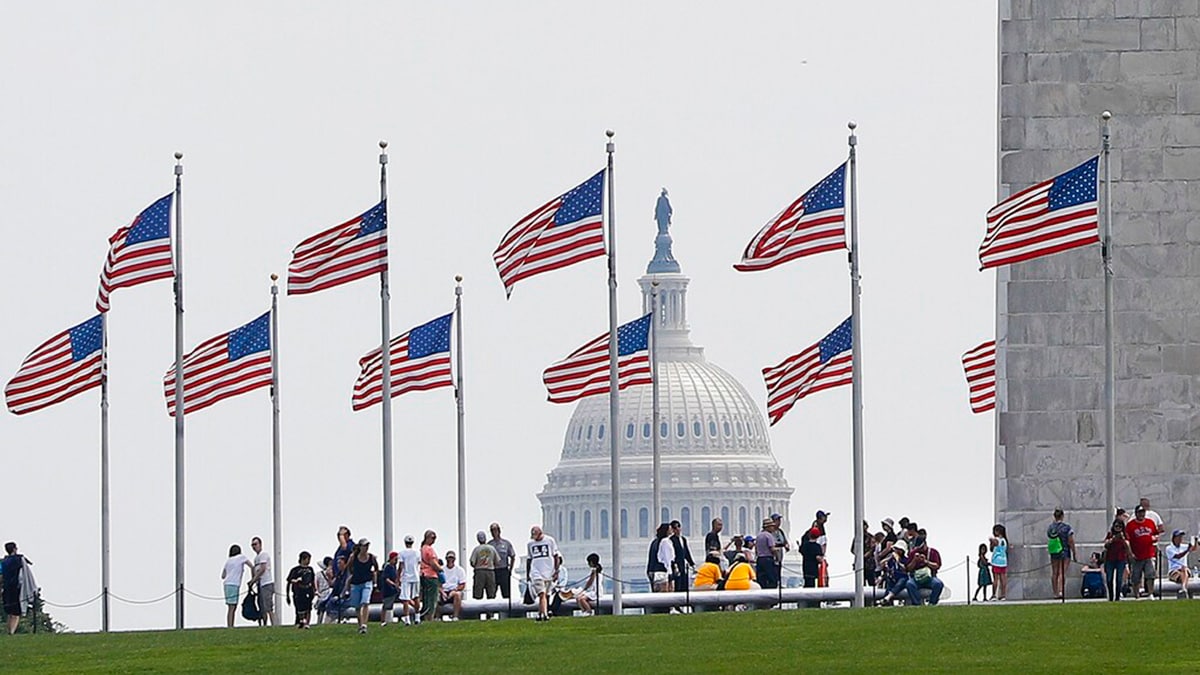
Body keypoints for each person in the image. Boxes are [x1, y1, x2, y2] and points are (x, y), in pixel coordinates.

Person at [525, 525, 561, 622]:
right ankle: (544, 615)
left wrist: (556, 571)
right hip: (536, 572)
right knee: (542, 593)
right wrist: (528, 574)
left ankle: (540, 613)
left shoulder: (550, 541)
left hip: (549, 572)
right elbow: (529, 560)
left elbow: (556, 556)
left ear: (540, 533)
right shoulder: (530, 544)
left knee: (546, 595)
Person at [346, 538, 379, 634]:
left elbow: (376, 568)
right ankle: (360, 624)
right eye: (364, 546)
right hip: (356, 583)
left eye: (367, 546)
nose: (366, 548)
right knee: (357, 606)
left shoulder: (371, 557)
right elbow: (349, 567)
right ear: (360, 547)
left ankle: (364, 624)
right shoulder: (354, 557)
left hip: (367, 582)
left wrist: (374, 580)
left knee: (365, 602)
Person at [1126, 506, 1159, 598]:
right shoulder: (1130, 525)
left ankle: (1150, 593)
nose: (1141, 514)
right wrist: (1130, 553)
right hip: (1137, 555)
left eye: (1142, 512)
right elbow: (1127, 540)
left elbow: (1156, 534)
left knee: (1150, 575)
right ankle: (1136, 595)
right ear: (1136, 513)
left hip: (1149, 554)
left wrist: (1154, 538)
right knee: (1136, 577)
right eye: (1139, 512)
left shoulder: (1150, 523)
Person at [2, 543, 35, 635]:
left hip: (7, 588)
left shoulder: (4, 561)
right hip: (16, 588)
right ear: (14, 549)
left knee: (10, 612)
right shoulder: (19, 560)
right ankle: (11, 632)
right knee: (16, 613)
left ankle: (9, 630)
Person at [220, 544, 253, 628]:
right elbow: (251, 566)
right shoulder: (241, 557)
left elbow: (223, 576)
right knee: (233, 607)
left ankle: (230, 625)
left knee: (230, 606)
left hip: (226, 584)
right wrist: (253, 577)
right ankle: (230, 626)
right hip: (234, 584)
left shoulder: (228, 560)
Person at [905, 540, 945, 606]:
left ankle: (932, 603)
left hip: (930, 577)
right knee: (909, 584)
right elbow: (908, 569)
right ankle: (917, 603)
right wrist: (914, 560)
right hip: (916, 578)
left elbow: (937, 566)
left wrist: (926, 562)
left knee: (938, 584)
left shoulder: (933, 552)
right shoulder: (913, 553)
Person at [1047, 509, 1075, 599]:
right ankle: (1060, 591)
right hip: (1064, 551)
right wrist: (1074, 552)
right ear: (1062, 516)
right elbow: (1071, 541)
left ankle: (1055, 592)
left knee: (1054, 572)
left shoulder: (1051, 528)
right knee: (1061, 572)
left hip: (1054, 551)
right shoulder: (1066, 527)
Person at [1102, 519, 1133, 601]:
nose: (1118, 528)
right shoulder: (1110, 534)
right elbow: (1105, 545)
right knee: (1109, 579)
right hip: (1110, 559)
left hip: (1121, 559)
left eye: (1120, 526)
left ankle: (1117, 597)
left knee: (1119, 579)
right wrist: (1112, 539)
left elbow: (1128, 547)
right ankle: (1111, 596)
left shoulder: (1125, 535)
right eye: (1116, 526)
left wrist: (1122, 539)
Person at [248, 536, 275, 626]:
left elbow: (262, 569)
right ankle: (264, 624)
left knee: (268, 606)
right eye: (252, 545)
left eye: (255, 544)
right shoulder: (256, 558)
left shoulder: (263, 555)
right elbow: (255, 569)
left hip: (266, 583)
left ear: (260, 544)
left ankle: (274, 624)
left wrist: (253, 579)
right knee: (262, 606)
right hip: (260, 584)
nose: (254, 546)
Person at [286, 551, 315, 628]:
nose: (308, 561)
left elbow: (312, 580)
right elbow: (289, 580)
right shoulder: (295, 570)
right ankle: (300, 622)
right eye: (307, 559)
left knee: (308, 608)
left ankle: (307, 623)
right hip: (298, 591)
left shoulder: (310, 569)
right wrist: (296, 581)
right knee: (299, 608)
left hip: (308, 590)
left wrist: (314, 590)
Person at [418, 530, 442, 624]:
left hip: (423, 575)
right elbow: (433, 563)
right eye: (432, 538)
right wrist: (440, 569)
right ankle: (429, 617)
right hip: (431, 576)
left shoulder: (421, 549)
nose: (434, 540)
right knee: (431, 599)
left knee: (425, 598)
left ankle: (424, 616)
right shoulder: (428, 549)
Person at [488, 523, 516, 601]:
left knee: (506, 594)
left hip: (504, 570)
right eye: (492, 531)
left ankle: (507, 612)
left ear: (499, 531)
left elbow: (513, 556)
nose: (494, 532)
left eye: (495, 530)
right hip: (493, 571)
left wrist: (510, 569)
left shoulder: (506, 543)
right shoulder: (489, 544)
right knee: (491, 594)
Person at [397, 534, 421, 625]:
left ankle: (407, 619)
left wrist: (398, 577)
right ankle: (417, 617)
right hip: (415, 576)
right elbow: (419, 563)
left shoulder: (402, 553)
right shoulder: (417, 553)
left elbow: (401, 566)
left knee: (405, 599)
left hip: (406, 577)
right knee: (416, 597)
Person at [878, 540, 911, 606]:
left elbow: (905, 569)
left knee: (901, 582)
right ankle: (886, 601)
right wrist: (889, 558)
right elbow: (882, 564)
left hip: (902, 578)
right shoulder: (891, 559)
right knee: (889, 584)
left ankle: (888, 597)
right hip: (892, 578)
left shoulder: (905, 559)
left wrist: (897, 560)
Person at [469, 531, 498, 601]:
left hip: (479, 572)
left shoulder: (476, 549)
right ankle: (491, 611)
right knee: (491, 594)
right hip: (490, 571)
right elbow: (497, 561)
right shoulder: (492, 548)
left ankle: (477, 611)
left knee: (478, 594)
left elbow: (472, 562)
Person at [1164, 529, 1193, 598]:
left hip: (1184, 569)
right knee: (1182, 573)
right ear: (1174, 538)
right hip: (1174, 570)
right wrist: (1187, 550)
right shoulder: (1169, 548)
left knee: (1184, 569)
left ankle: (1183, 589)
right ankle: (1184, 590)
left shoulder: (1183, 546)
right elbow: (1178, 556)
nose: (1180, 539)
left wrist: (1195, 542)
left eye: (1181, 537)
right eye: (1178, 537)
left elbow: (1193, 548)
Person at [440, 551, 467, 620]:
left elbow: (462, 584)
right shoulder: (441, 569)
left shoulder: (460, 570)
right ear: (446, 559)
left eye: (452, 558)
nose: (450, 560)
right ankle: (437, 617)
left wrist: (454, 590)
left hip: (454, 591)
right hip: (444, 591)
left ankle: (455, 616)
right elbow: (438, 584)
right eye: (449, 558)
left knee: (457, 595)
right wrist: (442, 592)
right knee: (435, 596)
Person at [669, 520, 694, 592]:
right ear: (673, 530)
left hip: (683, 564)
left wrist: (691, 563)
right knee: (678, 583)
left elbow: (686, 552)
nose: (678, 529)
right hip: (675, 565)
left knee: (684, 582)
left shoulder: (683, 539)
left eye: (679, 527)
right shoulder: (671, 540)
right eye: (676, 528)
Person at [755, 519, 781, 589]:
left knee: (761, 579)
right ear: (768, 527)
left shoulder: (759, 536)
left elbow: (756, 550)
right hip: (768, 559)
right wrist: (778, 555)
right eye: (772, 526)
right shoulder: (768, 536)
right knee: (772, 579)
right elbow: (772, 548)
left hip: (760, 559)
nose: (773, 528)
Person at [647, 524, 671, 592]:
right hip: (660, 571)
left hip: (653, 570)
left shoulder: (654, 542)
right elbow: (666, 558)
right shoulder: (664, 542)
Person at [379, 551, 399, 626]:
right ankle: (383, 620)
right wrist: (393, 584)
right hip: (388, 589)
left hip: (393, 589)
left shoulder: (394, 567)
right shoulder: (387, 567)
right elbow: (386, 578)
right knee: (386, 605)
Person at [989, 524, 1009, 600]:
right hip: (1003, 561)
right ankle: (1003, 595)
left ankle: (994, 595)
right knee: (1003, 578)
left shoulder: (996, 540)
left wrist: (991, 542)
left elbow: (992, 548)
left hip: (996, 561)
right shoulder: (1004, 540)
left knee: (995, 579)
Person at [314, 557, 333, 623]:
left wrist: (317, 591)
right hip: (329, 591)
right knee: (329, 608)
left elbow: (316, 584)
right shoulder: (332, 571)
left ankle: (319, 622)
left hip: (322, 593)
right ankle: (327, 622)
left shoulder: (318, 574)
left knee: (321, 609)